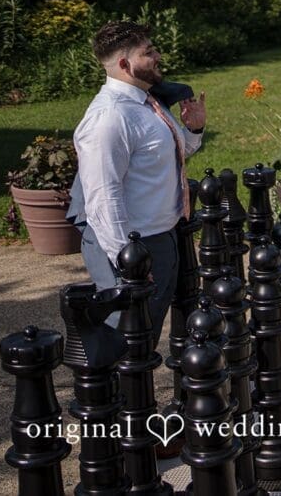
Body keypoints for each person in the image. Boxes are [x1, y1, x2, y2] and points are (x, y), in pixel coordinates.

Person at [66, 21, 206, 344]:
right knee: (127, 344)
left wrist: (194, 130)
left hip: (163, 237)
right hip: (130, 248)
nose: (158, 56)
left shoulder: (147, 103)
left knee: (147, 338)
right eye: (149, 52)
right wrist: (128, 263)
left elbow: (172, 153)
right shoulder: (108, 118)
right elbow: (103, 197)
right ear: (124, 64)